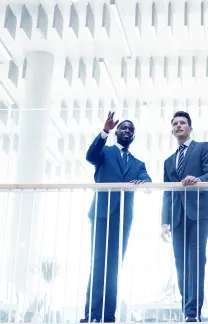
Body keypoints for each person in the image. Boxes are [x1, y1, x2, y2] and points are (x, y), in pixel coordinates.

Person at [82, 112, 151, 323]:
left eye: (131, 129)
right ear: (117, 132)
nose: (127, 131)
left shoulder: (138, 164)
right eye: (124, 127)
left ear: (133, 136)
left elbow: (148, 183)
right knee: (98, 263)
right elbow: (90, 156)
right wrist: (104, 131)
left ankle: (108, 316)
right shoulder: (105, 152)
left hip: (123, 219)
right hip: (102, 214)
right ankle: (93, 315)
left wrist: (143, 184)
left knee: (114, 267)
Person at [161, 111, 208, 322]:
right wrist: (164, 221)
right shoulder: (168, 161)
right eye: (175, 123)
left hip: (200, 213)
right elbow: (167, 192)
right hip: (177, 217)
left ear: (190, 128)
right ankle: (188, 310)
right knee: (180, 263)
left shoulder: (203, 148)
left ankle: (193, 313)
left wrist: (198, 179)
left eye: (182, 123)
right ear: (172, 130)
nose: (178, 125)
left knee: (196, 260)